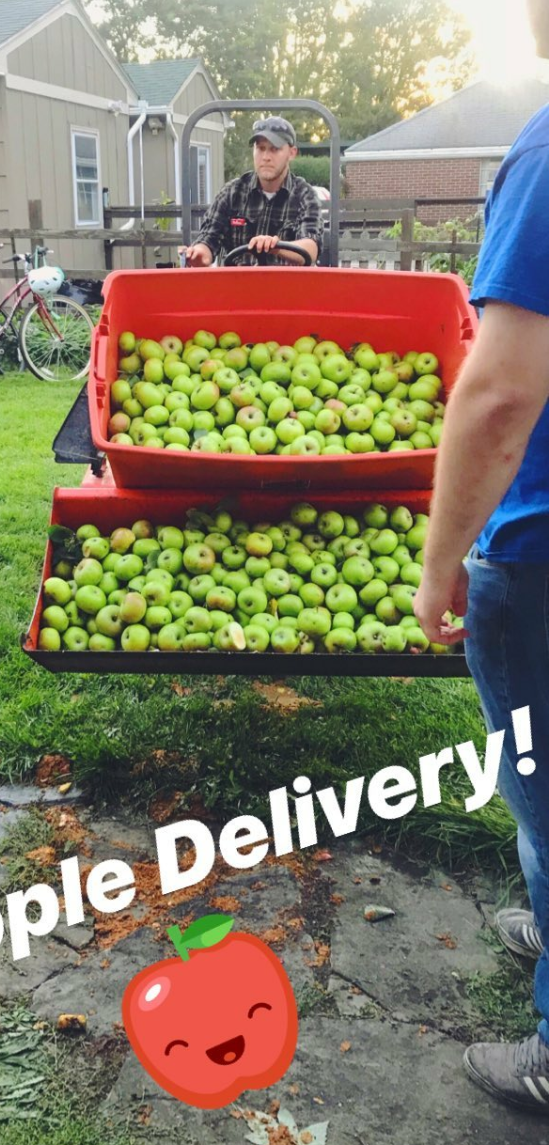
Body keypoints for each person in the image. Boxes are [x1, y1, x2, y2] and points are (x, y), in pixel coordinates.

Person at [413, 0, 549, 1114]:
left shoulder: (548, 154)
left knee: (545, 786)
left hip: (544, 544)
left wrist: (441, 555)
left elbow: (500, 392)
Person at [181, 117, 323, 267]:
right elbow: (209, 237)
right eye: (261, 148)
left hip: (286, 287)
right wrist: (199, 254)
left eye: (274, 149)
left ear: (292, 153)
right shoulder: (232, 193)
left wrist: (276, 246)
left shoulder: (305, 196)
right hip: (237, 287)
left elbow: (310, 248)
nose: (266, 157)